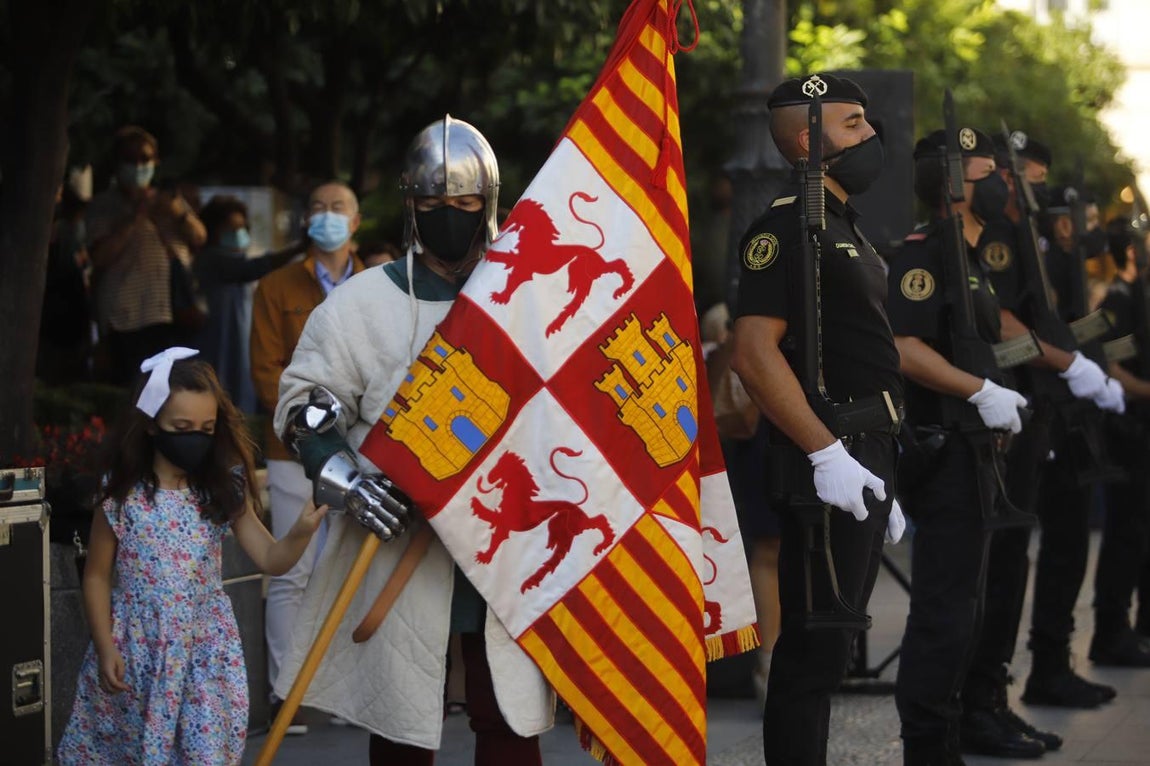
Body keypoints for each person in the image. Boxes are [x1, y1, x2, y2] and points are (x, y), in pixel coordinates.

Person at [272, 116, 552, 765]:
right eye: (432, 203)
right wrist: (349, 480)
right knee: (398, 717)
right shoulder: (362, 303)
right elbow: (308, 404)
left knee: (509, 714)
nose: (447, 215)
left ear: (489, 204)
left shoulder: (528, 297)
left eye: (463, 203)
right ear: (410, 204)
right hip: (399, 532)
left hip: (505, 536)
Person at [729, 73, 905, 766]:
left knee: (833, 644)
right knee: (811, 650)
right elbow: (752, 351)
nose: (870, 137)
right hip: (827, 458)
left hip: (868, 449)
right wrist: (826, 452)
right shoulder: (785, 227)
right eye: (854, 124)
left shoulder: (840, 225)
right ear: (809, 140)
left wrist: (885, 468)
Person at [56, 349, 327, 764]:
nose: (194, 438)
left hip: (203, 655)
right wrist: (105, 644)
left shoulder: (219, 489)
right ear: (150, 424)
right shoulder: (123, 494)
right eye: (181, 427)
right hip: (137, 654)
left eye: (206, 428)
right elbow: (95, 575)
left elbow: (272, 559)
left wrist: (302, 531)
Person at [886, 127, 1034, 765]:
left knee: (968, 607)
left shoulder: (969, 257)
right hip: (943, 453)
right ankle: (927, 746)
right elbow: (905, 347)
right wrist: (981, 391)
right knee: (945, 612)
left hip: (976, 454)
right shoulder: (925, 254)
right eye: (984, 172)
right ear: (952, 184)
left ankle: (957, 728)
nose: (1000, 179)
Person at [249, 180, 365, 733]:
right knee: (292, 572)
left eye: (337, 207)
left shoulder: (378, 286)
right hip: (293, 450)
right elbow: (266, 372)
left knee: (348, 571)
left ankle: (342, 694)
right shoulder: (274, 287)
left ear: (356, 221)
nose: (326, 216)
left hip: (363, 452)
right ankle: (284, 694)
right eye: (317, 207)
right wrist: (312, 429)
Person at [87, 126, 207, 384]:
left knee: (172, 392)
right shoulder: (103, 206)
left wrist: (176, 210)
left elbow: (199, 237)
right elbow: (100, 257)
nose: (139, 166)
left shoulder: (169, 201)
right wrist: (136, 215)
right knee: (133, 394)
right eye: (130, 160)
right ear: (117, 164)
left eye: (145, 159)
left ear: (156, 162)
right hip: (126, 318)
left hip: (172, 315)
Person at [1088, 219, 1150, 666]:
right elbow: (1112, 366)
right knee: (1125, 534)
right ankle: (1111, 633)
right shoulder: (1119, 299)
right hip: (1127, 433)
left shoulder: (1139, 296)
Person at [195, 195, 304, 413]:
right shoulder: (211, 259)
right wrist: (299, 248)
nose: (238, 235)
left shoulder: (236, 260)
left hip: (241, 346)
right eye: (230, 229)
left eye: (242, 228)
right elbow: (253, 268)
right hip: (216, 343)